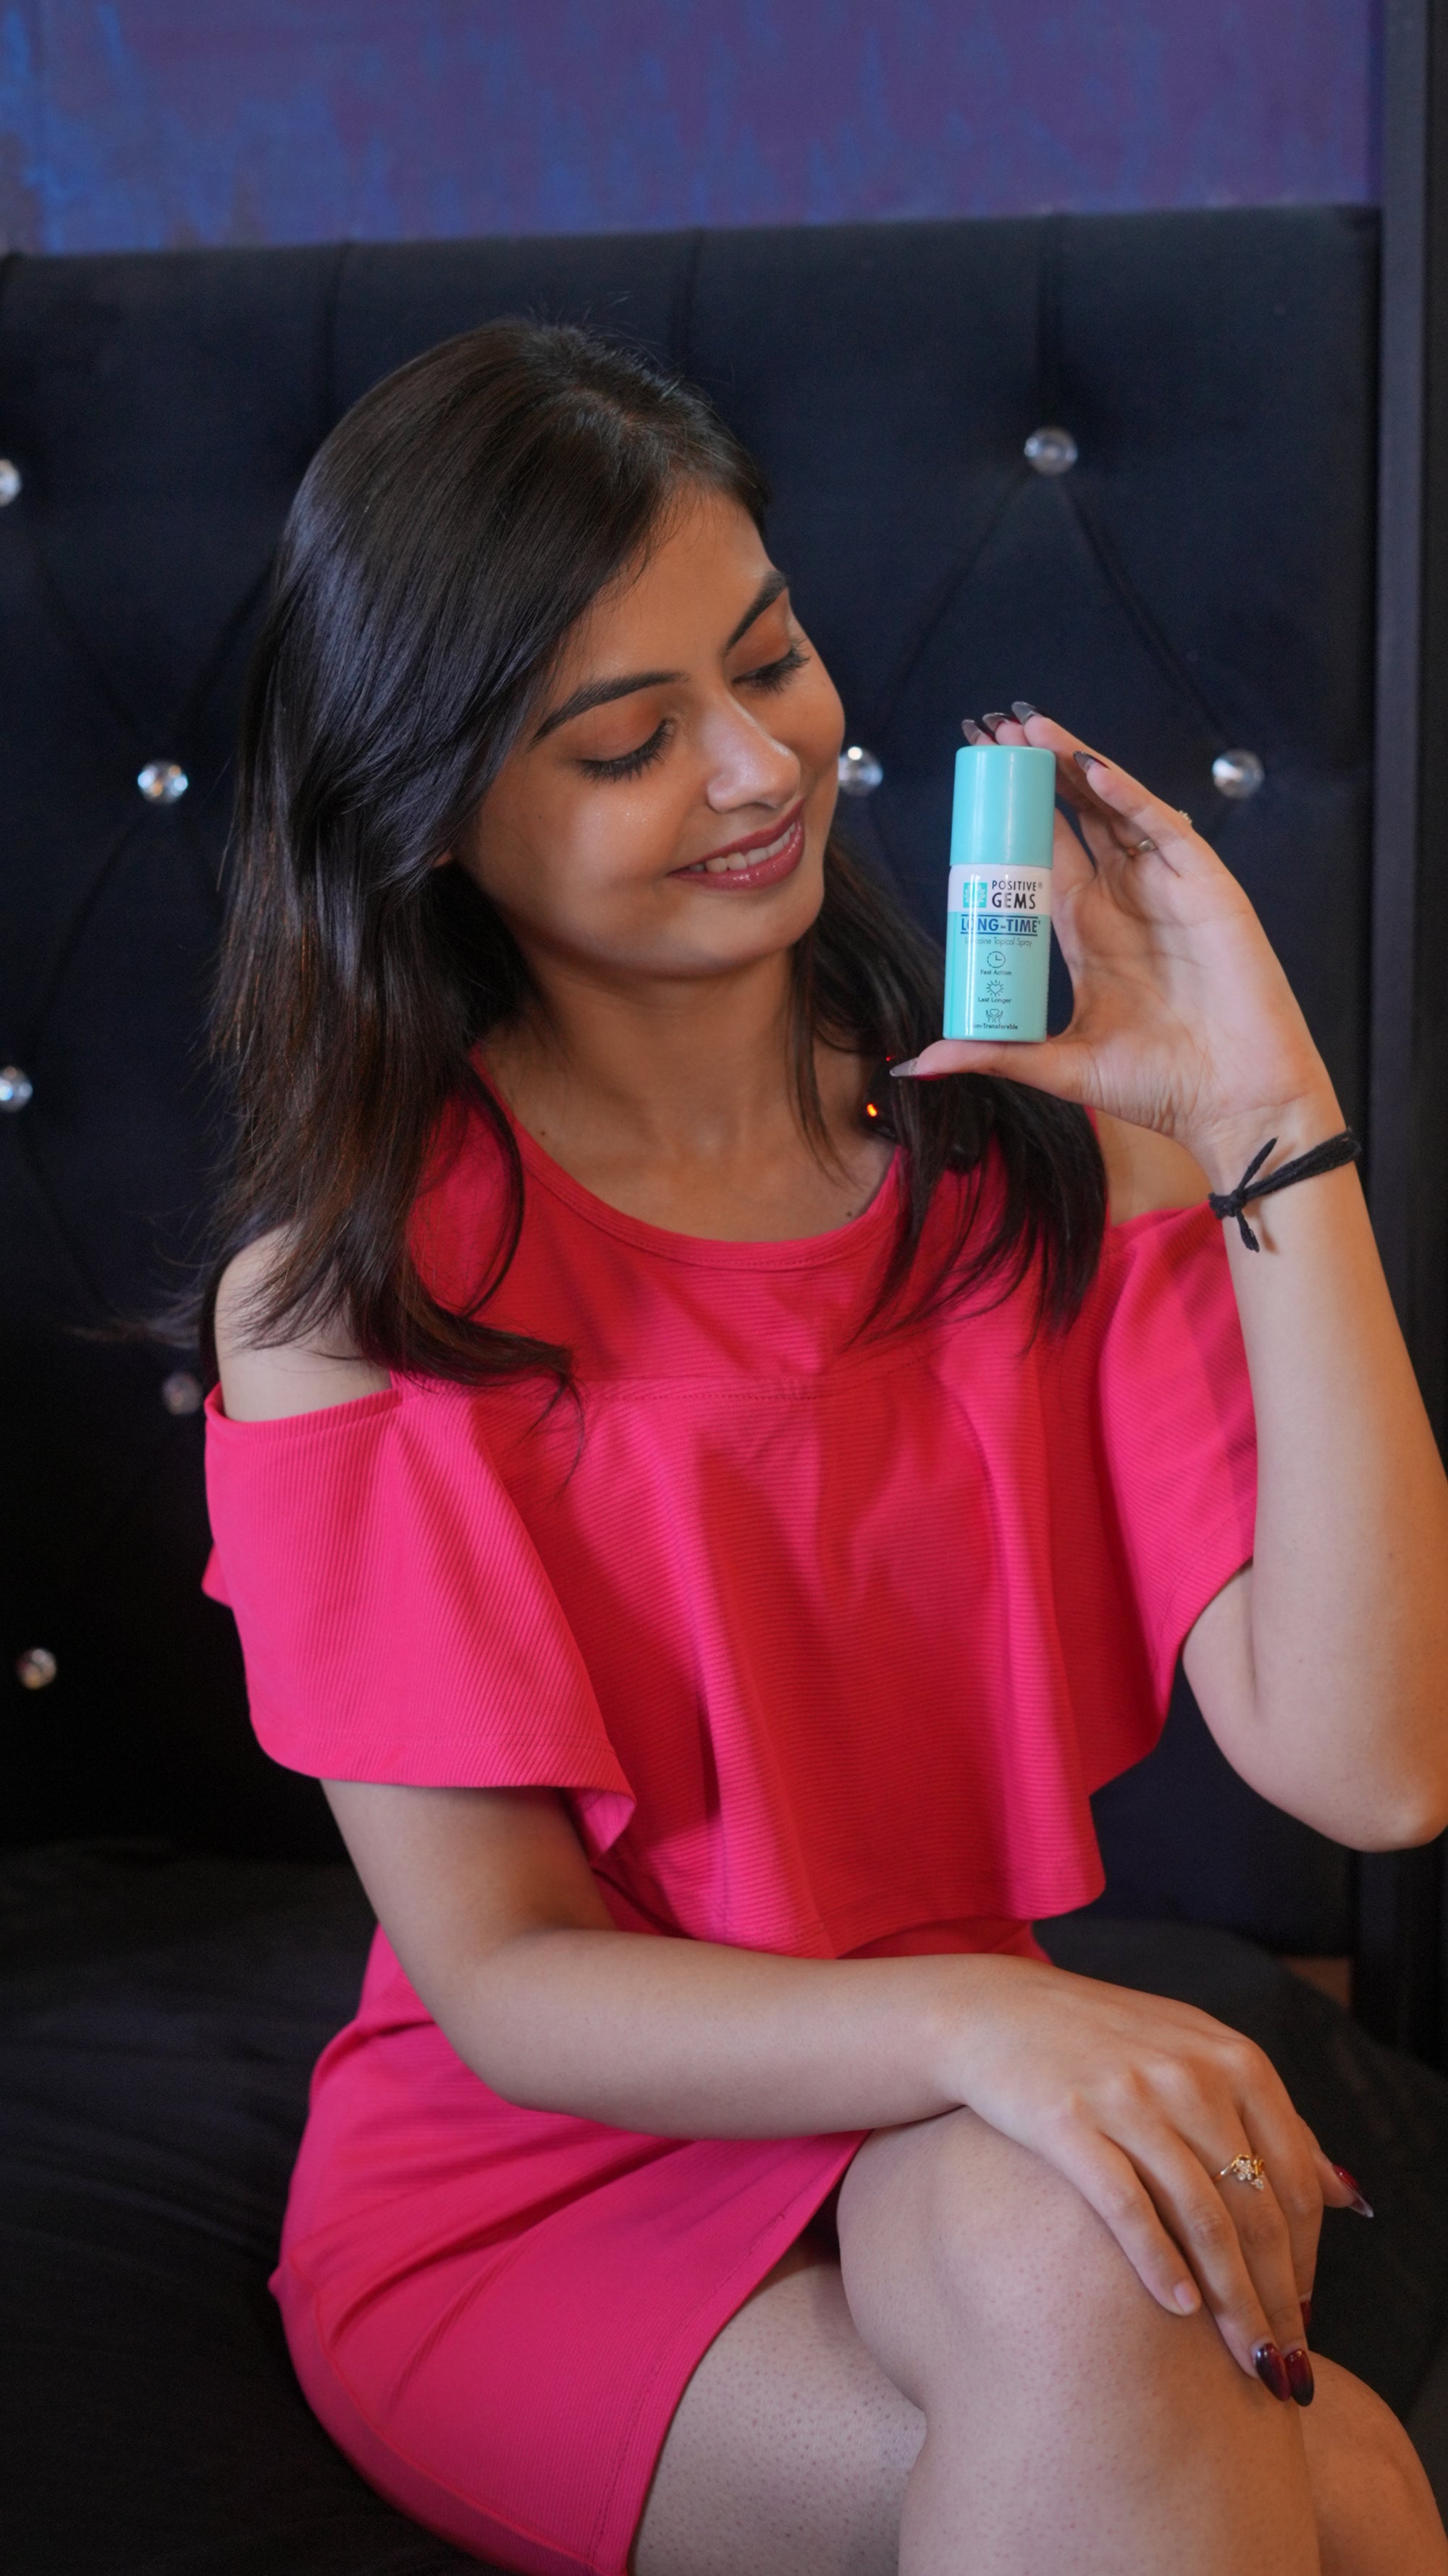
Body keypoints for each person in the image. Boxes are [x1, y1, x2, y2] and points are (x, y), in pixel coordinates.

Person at [203, 319, 1448, 2576]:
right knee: (1340, 2500)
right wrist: (990, 2024)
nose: (755, 766)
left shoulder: (1033, 1166)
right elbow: (506, 1980)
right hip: (541, 2182)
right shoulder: (349, 1306)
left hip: (953, 2115)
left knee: (1243, 2430)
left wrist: (1272, 1126)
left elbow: (1376, 1768)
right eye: (626, 740)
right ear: (440, 816)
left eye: (769, 660)